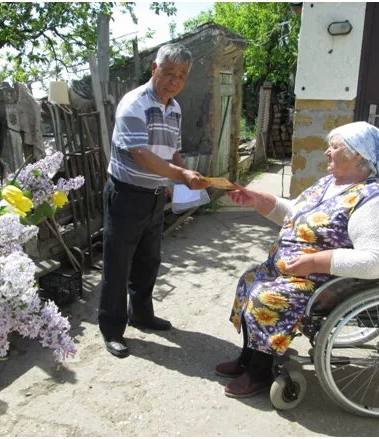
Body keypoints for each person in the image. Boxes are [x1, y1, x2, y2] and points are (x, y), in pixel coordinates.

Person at [217, 121, 379, 398]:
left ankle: (259, 372)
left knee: (267, 297)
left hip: (325, 282)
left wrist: (316, 262)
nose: (327, 152)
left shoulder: (372, 199)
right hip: (293, 270)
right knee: (248, 281)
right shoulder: (330, 183)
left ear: (358, 155)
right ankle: (249, 356)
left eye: (335, 147)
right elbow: (297, 214)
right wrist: (258, 200)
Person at [99, 43, 210, 358]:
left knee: (149, 260)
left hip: (153, 196)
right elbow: (142, 155)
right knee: (118, 264)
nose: (174, 81)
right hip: (125, 195)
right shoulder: (133, 104)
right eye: (169, 72)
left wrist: (180, 180)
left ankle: (142, 314)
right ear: (153, 68)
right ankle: (111, 329)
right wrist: (179, 175)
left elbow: (172, 150)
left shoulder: (174, 108)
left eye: (181, 76)